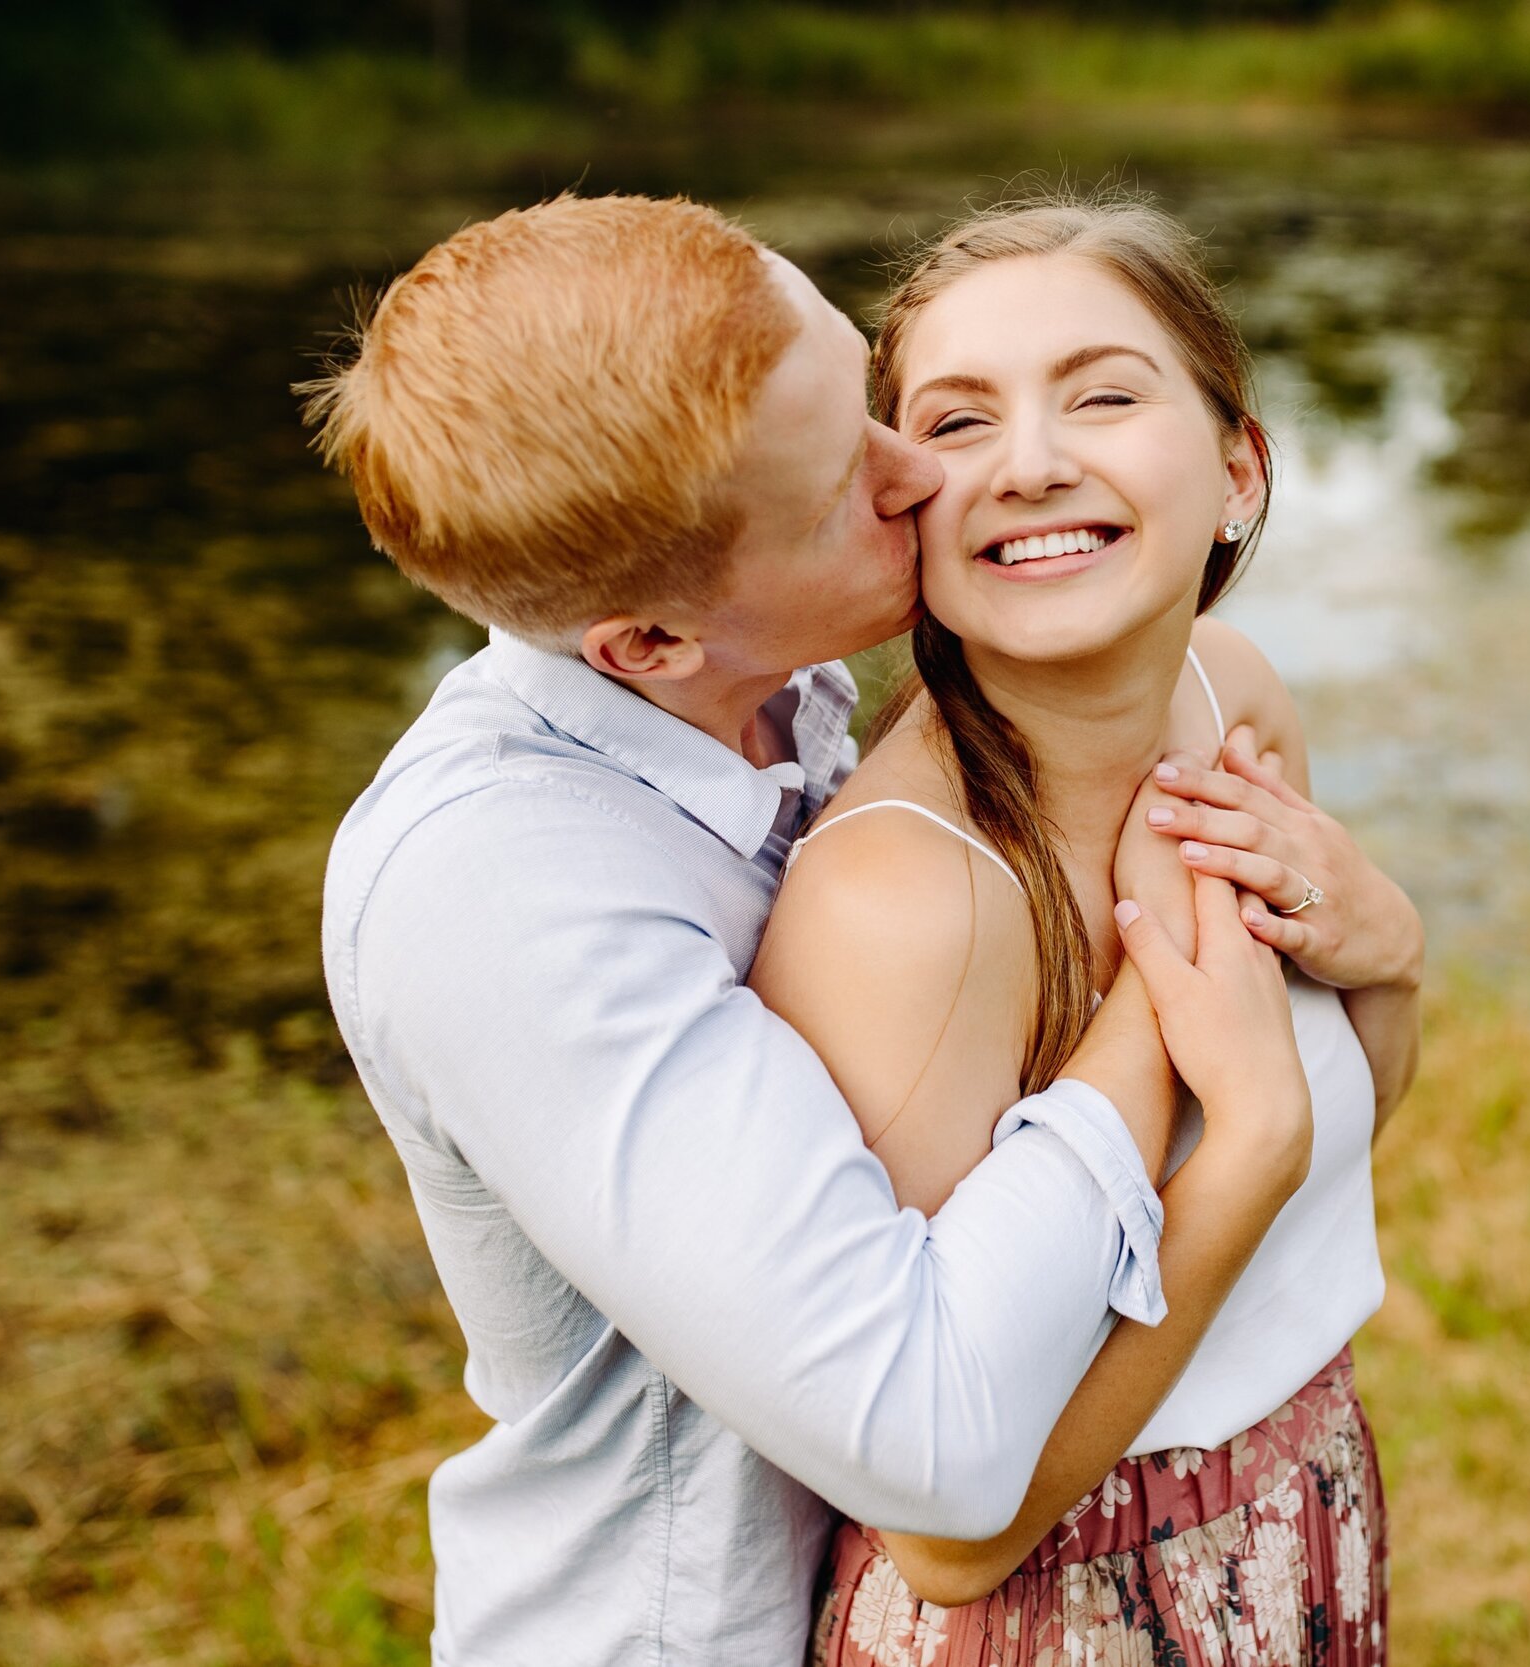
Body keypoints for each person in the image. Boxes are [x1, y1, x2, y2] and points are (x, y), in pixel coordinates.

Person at [300, 193, 1318, 1666]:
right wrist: (1166, 974)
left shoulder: (768, 673)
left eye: (869, 397)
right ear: (648, 644)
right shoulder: (497, 894)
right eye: (856, 472)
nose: (933, 471)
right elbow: (931, 1444)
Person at [756, 197, 1425, 1666]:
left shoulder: (1229, 693)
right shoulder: (903, 903)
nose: (1036, 463)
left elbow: (1361, 1081)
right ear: (895, 499)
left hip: (1302, 1503)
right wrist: (1245, 1144)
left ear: (1239, 466)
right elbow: (948, 1532)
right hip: (1055, 1610)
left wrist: (1387, 946)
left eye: (1105, 394)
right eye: (958, 421)